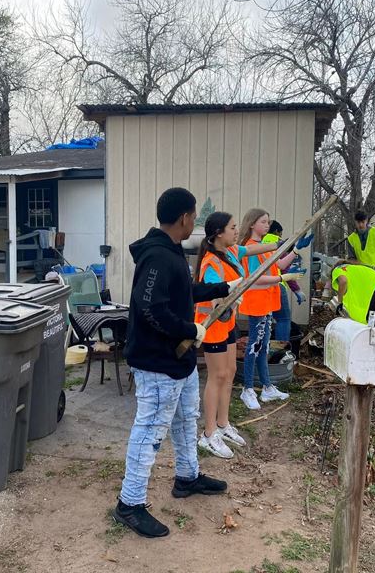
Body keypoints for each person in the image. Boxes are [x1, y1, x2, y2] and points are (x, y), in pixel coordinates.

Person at [114, 188, 240, 539]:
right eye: (193, 217)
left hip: (178, 361)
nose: (194, 223)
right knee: (150, 430)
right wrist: (190, 328)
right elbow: (150, 306)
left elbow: (183, 291)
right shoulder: (157, 256)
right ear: (185, 217)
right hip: (157, 363)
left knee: (186, 420)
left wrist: (223, 288)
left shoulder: (171, 252)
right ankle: (130, 503)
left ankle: (187, 477)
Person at [194, 211, 280, 459]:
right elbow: (213, 292)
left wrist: (282, 245)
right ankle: (209, 434)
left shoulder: (231, 252)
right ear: (218, 233)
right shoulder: (211, 262)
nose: (236, 232)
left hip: (228, 323)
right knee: (217, 375)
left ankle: (223, 424)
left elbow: (252, 251)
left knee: (230, 371)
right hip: (213, 326)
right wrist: (228, 296)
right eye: (232, 228)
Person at [238, 209, 310, 410]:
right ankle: (248, 388)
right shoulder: (251, 248)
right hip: (257, 302)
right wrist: (282, 279)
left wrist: (295, 251)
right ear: (252, 224)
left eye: (268, 222)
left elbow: (278, 264)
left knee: (264, 345)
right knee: (255, 344)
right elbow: (255, 278)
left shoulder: (263, 247)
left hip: (268, 302)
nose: (267, 225)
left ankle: (267, 386)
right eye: (263, 221)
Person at [261, 220, 305, 342]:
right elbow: (285, 270)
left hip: (259, 288)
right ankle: (281, 351)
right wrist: (297, 290)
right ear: (276, 231)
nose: (281, 236)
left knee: (263, 320)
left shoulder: (260, 243)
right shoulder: (279, 244)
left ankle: (265, 351)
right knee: (283, 319)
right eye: (281, 233)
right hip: (276, 286)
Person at [329, 261, 375, 326]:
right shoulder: (355, 269)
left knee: (372, 323)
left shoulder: (338, 269)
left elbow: (343, 281)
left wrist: (340, 301)